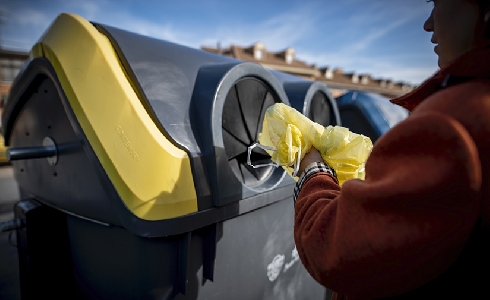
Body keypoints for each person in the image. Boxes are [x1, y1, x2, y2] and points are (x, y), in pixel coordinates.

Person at [294, 0, 490, 299]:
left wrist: (312, 170)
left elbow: (337, 249)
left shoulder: (454, 122)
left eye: (437, 3)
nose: (428, 24)